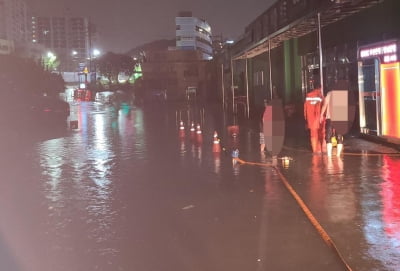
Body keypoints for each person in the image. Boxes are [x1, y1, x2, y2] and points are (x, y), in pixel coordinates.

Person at [320, 91, 344, 157]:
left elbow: (325, 105)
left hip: (330, 118)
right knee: (339, 137)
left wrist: (321, 115)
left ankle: (329, 156)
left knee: (328, 137)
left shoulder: (329, 94)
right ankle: (338, 156)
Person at [304, 87, 325, 153]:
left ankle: (315, 150)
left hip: (311, 119)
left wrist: (306, 118)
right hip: (320, 118)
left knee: (313, 134)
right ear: (319, 88)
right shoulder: (320, 96)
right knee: (322, 133)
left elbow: (305, 109)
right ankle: (323, 149)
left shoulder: (308, 96)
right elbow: (324, 106)